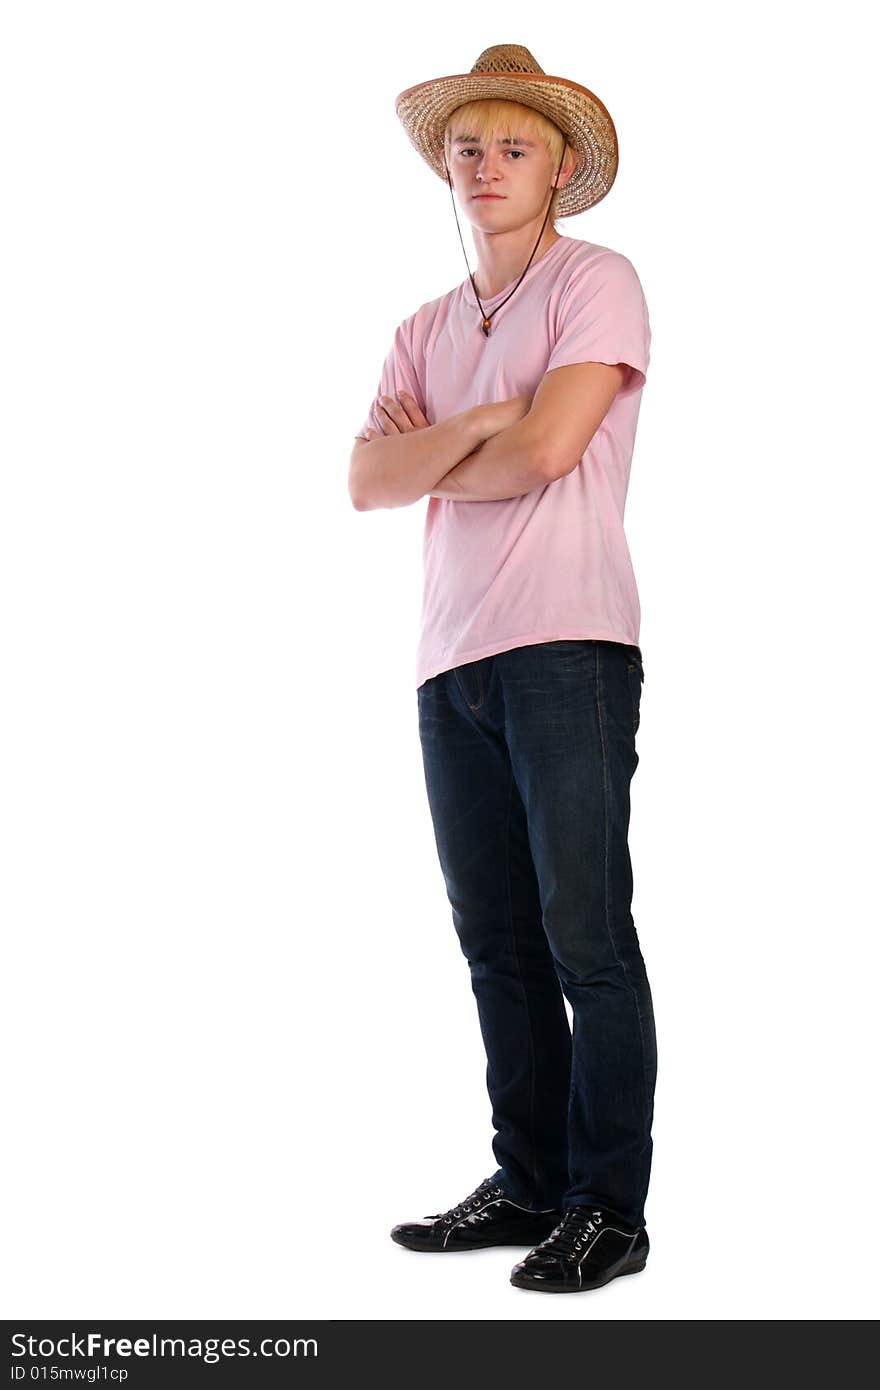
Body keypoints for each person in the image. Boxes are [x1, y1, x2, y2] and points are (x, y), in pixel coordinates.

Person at [350, 43, 657, 1295]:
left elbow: (547, 452)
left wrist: (459, 439)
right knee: (496, 940)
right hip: (450, 659)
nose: (484, 164)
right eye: (467, 147)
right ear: (444, 164)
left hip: (568, 645)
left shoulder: (598, 283)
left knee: (584, 934)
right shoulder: (422, 328)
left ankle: (609, 1210)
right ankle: (527, 1181)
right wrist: (484, 424)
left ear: (560, 168)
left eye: (511, 147)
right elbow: (364, 481)